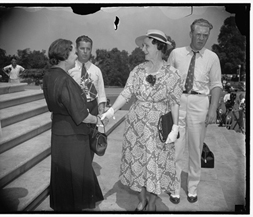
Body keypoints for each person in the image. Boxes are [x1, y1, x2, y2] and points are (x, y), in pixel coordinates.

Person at [101, 29, 183, 211]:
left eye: (146, 45)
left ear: (158, 47)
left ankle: (153, 202)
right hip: (136, 127)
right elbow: (126, 92)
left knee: (155, 164)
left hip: (159, 128)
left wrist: (175, 127)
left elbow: (175, 102)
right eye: (143, 46)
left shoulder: (172, 74)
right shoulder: (137, 70)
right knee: (139, 163)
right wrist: (111, 110)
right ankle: (142, 199)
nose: (143, 49)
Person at [42, 38, 104, 211]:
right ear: (64, 55)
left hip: (58, 132)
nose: (76, 55)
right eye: (73, 52)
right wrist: (97, 119)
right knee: (76, 172)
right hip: (73, 135)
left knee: (62, 173)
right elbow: (82, 115)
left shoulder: (48, 75)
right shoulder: (66, 80)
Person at [167, 18, 222, 204]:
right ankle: (174, 188)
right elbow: (167, 82)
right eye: (198, 34)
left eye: (205, 36)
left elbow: (216, 85)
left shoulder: (212, 57)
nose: (201, 38)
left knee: (196, 149)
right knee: (176, 148)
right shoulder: (176, 54)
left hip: (200, 102)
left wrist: (213, 108)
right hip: (178, 101)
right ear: (191, 34)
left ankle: (192, 188)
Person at [68, 35, 107, 160]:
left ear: (91, 50)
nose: (85, 52)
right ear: (77, 49)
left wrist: (101, 117)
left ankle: (87, 166)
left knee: (91, 140)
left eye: (88, 49)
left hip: (92, 107)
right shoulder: (70, 69)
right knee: (76, 141)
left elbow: (101, 94)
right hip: (75, 108)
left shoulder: (96, 70)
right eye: (82, 48)